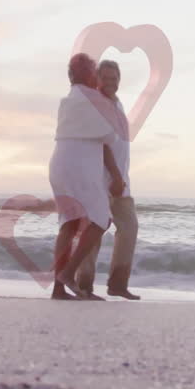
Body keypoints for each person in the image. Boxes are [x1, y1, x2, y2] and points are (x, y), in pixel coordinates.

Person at [48, 53, 126, 300]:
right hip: (80, 167)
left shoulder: (67, 101)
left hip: (59, 165)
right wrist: (116, 175)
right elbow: (109, 139)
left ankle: (58, 289)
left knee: (68, 225)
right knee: (101, 220)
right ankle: (68, 274)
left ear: (71, 76)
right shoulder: (94, 101)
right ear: (91, 75)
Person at [75, 60, 141, 300]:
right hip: (99, 180)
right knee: (93, 233)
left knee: (129, 228)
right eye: (106, 78)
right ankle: (83, 286)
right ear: (97, 79)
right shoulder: (94, 104)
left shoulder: (118, 104)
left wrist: (121, 177)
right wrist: (113, 175)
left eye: (115, 78)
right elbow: (100, 144)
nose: (111, 83)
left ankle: (117, 284)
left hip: (121, 181)